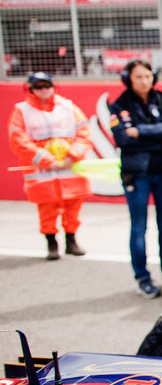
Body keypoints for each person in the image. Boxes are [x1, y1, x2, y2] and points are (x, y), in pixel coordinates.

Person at [108, 59, 162, 298]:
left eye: (148, 76)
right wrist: (161, 130)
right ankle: (142, 277)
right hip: (137, 174)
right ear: (128, 79)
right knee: (139, 227)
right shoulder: (119, 104)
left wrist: (140, 131)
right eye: (139, 76)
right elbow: (122, 138)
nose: (144, 81)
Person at [8, 72, 92, 260]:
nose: (44, 90)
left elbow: (84, 132)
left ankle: (71, 240)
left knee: (73, 206)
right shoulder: (22, 110)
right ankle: (51, 242)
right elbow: (18, 139)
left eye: (47, 85)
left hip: (70, 168)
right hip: (42, 171)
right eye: (38, 87)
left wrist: (73, 155)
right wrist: (46, 160)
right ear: (31, 90)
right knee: (47, 209)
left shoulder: (67, 107)